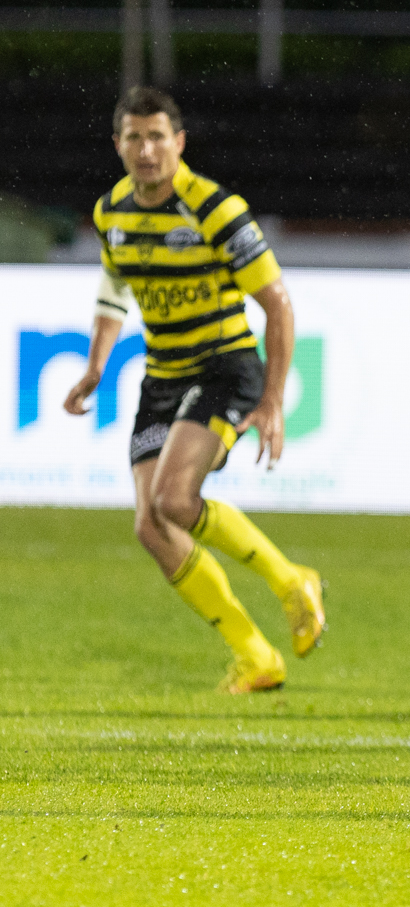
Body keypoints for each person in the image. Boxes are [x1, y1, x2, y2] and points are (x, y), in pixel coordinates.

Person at [65, 87, 325, 693]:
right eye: (134, 137)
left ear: (179, 143)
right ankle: (255, 654)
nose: (146, 149)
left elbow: (278, 306)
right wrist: (96, 365)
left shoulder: (214, 208)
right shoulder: (112, 213)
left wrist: (272, 402)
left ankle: (293, 580)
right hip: (163, 377)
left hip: (224, 369)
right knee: (151, 526)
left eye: (158, 136)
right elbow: (112, 290)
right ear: (118, 145)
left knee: (176, 501)